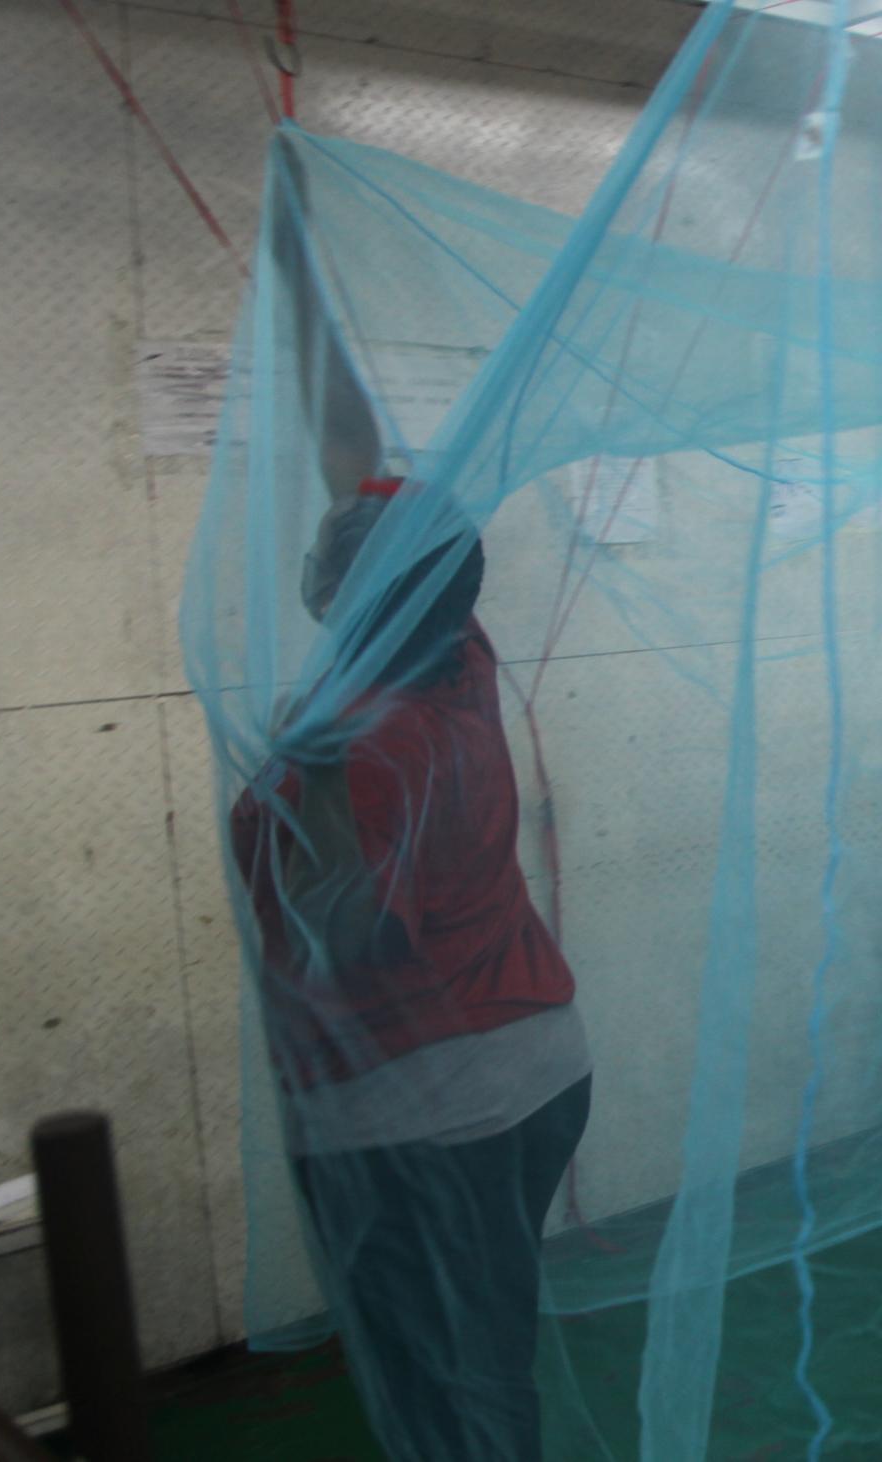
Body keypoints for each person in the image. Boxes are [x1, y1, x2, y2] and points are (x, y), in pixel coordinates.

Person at [225, 191, 589, 1462]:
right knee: (474, 1347)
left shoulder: (359, 745)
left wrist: (309, 783)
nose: (326, 541)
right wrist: (295, 274)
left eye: (339, 547)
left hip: (422, 1107)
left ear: (349, 593)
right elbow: (350, 440)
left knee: (453, 1377)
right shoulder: (451, 646)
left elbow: (356, 941)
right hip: (528, 1065)